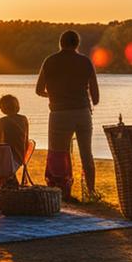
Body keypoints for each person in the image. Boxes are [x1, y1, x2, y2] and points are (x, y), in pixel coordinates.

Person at [35, 30, 100, 203]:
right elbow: (96, 97)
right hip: (82, 113)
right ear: (77, 43)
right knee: (87, 153)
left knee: (59, 154)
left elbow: (38, 90)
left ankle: (62, 191)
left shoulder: (50, 61)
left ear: (60, 43)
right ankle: (91, 192)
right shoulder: (85, 62)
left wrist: (53, 95)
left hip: (59, 114)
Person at [0, 94, 30, 204]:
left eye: (0, 107)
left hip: (9, 158)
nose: (0, 109)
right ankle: (4, 187)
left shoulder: (3, 121)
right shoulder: (24, 119)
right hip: (21, 157)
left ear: (4, 108)